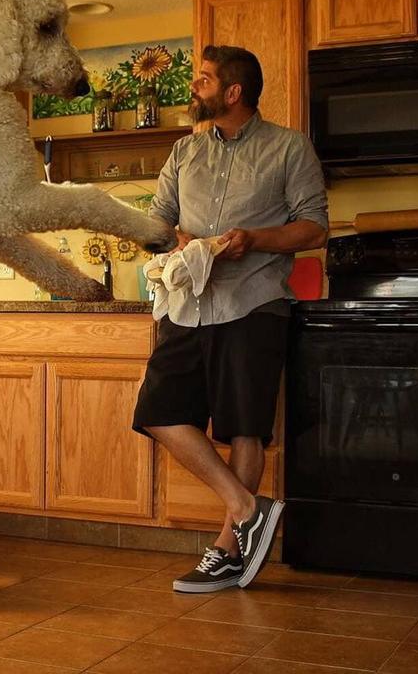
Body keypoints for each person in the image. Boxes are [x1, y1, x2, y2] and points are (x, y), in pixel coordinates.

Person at [133, 45, 328, 593]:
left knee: (245, 426)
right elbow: (157, 222)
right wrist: (182, 241)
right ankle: (248, 508)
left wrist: (254, 240)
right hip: (186, 301)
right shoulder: (184, 152)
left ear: (233, 92)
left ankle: (226, 551)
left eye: (203, 79)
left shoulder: (289, 148)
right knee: (157, 410)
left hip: (253, 301)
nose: (194, 88)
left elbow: (314, 228)